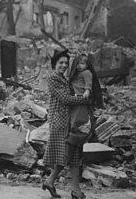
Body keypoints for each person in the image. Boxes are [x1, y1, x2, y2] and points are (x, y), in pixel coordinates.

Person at [42, 50, 89, 199]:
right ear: (54, 64)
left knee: (73, 155)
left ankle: (72, 189)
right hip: (59, 122)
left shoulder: (64, 78)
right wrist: (84, 100)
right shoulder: (53, 78)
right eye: (60, 63)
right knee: (67, 154)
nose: (63, 65)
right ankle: (53, 182)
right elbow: (65, 99)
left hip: (70, 121)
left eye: (66, 63)